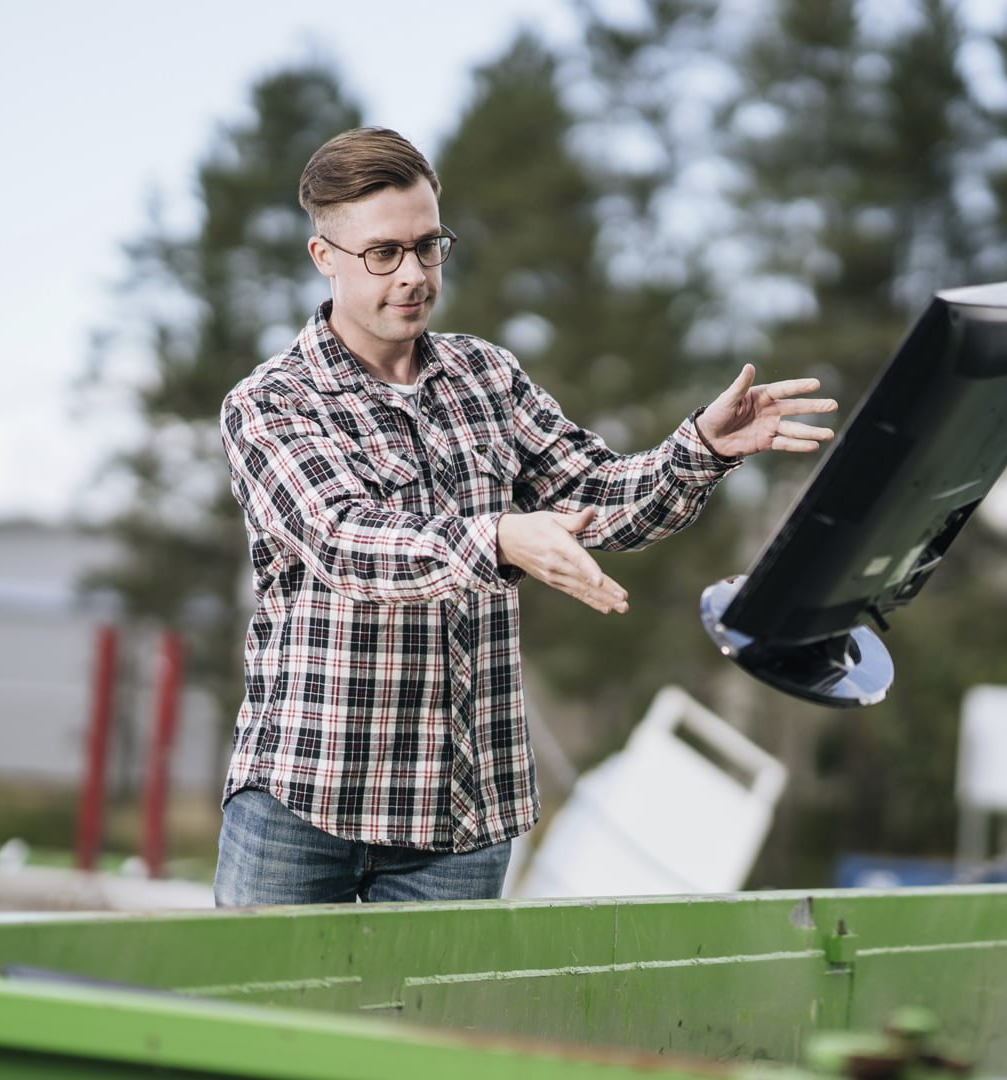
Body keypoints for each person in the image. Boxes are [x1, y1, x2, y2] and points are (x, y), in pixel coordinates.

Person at [212, 126, 836, 906]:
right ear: (324, 257)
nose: (412, 274)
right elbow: (347, 542)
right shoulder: (272, 403)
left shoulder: (489, 377)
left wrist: (702, 449)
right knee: (265, 1028)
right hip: (304, 809)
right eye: (383, 254)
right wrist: (501, 536)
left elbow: (599, 501)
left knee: (436, 1033)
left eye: (428, 246)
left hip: (462, 824)